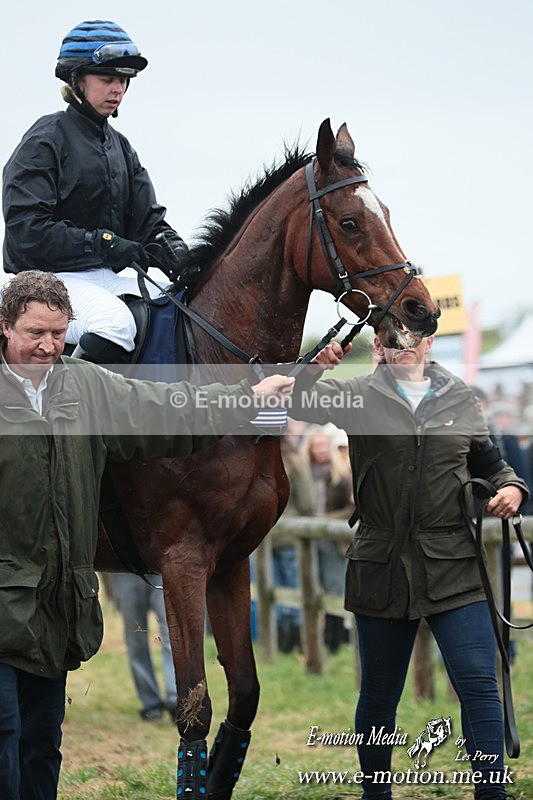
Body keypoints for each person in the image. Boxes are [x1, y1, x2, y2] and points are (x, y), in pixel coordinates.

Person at [0, 271, 293, 800]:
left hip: (52, 611)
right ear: (5, 327)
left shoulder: (85, 384)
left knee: (41, 747)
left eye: (58, 333)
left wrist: (248, 399)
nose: (47, 346)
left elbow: (167, 409)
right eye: (34, 333)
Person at [291, 334, 527, 800]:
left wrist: (512, 487)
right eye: (392, 337)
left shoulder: (460, 396)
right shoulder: (357, 394)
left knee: (480, 687)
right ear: (377, 345)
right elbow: (298, 398)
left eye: (413, 337)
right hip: (381, 563)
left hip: (455, 564)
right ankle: (375, 794)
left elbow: (492, 463)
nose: (404, 345)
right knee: (379, 695)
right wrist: (313, 367)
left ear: (429, 342)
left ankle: (492, 794)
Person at [3, 20, 188, 364]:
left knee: (174, 304)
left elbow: (148, 221)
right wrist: (104, 243)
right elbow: (27, 232)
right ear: (77, 80)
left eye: (123, 80)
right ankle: (68, 407)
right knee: (114, 324)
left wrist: (179, 254)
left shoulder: (121, 147)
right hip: (43, 282)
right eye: (107, 79)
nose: (118, 88)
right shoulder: (44, 140)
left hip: (101, 279)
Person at [300, 425, 353, 653]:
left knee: (334, 588)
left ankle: (336, 642)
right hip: (310, 540)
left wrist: (324, 520)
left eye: (324, 445)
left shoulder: (340, 473)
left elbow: (352, 508)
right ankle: (317, 642)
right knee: (313, 588)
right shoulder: (305, 473)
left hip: (334, 540)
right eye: (316, 446)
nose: (320, 450)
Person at [110, 574, 177, 722]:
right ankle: (151, 704)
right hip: (125, 570)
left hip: (161, 568)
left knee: (171, 634)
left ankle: (175, 699)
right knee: (135, 641)